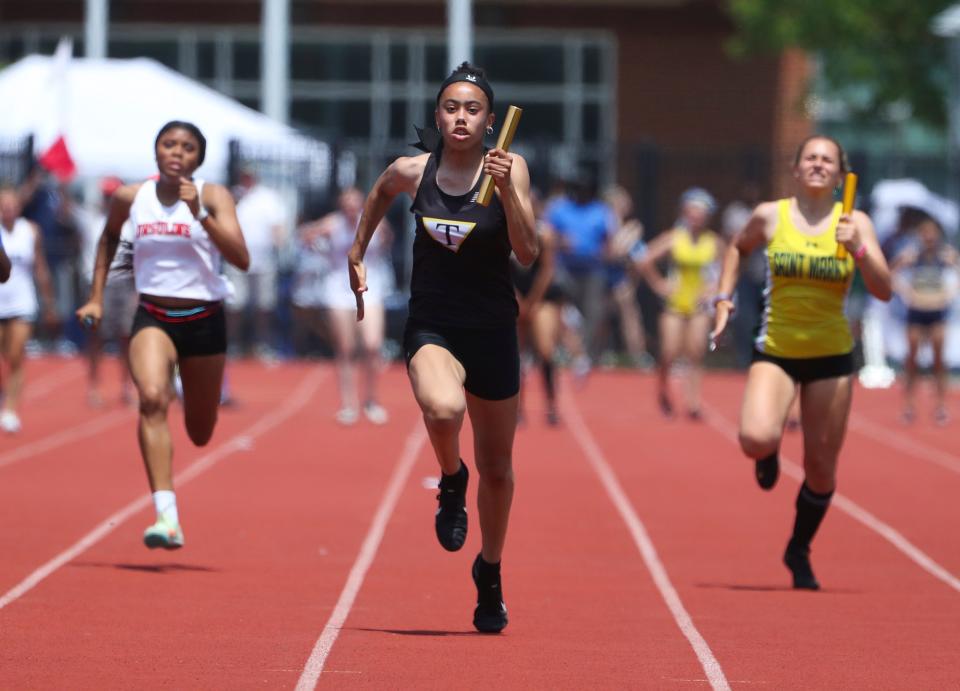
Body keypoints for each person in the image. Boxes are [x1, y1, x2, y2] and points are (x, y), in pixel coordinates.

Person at [348, 62, 537, 632]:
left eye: (472, 109)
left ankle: (491, 571)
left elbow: (527, 252)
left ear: (490, 120)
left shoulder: (510, 169)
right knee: (443, 407)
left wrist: (508, 192)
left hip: (493, 330)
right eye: (451, 107)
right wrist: (356, 252)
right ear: (438, 115)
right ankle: (450, 479)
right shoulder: (414, 170)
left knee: (500, 471)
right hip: (432, 323)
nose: (461, 117)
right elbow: (380, 191)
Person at [711, 135, 892, 590]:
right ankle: (768, 452)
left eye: (826, 159)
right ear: (796, 169)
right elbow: (737, 247)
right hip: (776, 348)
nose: (817, 164)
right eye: (810, 157)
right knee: (754, 438)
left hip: (831, 357)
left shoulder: (854, 222)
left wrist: (860, 250)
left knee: (821, 468)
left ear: (839, 173)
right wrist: (723, 299)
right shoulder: (771, 216)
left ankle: (798, 547)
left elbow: (885, 289)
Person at [77, 121, 249, 550]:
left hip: (205, 319)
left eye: (187, 147)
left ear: (198, 158)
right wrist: (95, 297)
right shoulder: (130, 198)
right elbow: (108, 239)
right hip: (152, 315)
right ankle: (166, 517)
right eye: (168, 144)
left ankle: (190, 393)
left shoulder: (213, 196)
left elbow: (241, 259)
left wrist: (201, 216)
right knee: (152, 398)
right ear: (156, 152)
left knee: (200, 430)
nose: (177, 152)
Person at [301, 186, 393, 425]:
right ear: (341, 204)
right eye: (347, 202)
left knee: (372, 345)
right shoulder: (333, 223)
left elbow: (387, 240)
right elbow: (305, 235)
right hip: (338, 289)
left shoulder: (374, 220)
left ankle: (371, 399)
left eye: (355, 202)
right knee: (346, 348)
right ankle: (348, 403)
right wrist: (316, 241)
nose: (351, 207)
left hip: (370, 288)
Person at [638, 187, 722, 420]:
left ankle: (693, 401)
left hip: (699, 304)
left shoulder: (713, 242)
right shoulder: (674, 237)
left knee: (696, 350)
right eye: (692, 211)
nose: (696, 216)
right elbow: (644, 258)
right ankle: (663, 388)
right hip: (675, 302)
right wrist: (659, 284)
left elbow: (725, 271)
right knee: (669, 350)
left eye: (701, 212)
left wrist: (712, 290)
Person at [76, 177, 138, 407]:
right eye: (105, 195)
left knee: (126, 338)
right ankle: (94, 386)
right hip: (97, 287)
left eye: (112, 196)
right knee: (96, 338)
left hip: (124, 285)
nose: (108, 200)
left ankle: (126, 386)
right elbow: (64, 209)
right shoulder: (90, 219)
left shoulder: (132, 224)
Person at [0, 184, 57, 432]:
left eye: (11, 205)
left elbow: (40, 266)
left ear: (19, 206)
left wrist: (48, 303)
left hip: (22, 303)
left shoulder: (30, 231)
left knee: (14, 355)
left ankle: (11, 409)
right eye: (3, 206)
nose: (7, 210)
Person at [891, 216, 958, 425]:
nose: (929, 237)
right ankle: (909, 406)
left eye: (932, 232)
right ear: (920, 235)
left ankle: (940, 406)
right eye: (925, 232)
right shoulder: (913, 255)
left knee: (939, 361)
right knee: (911, 360)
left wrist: (949, 293)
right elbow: (890, 273)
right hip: (916, 313)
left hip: (937, 313)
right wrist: (906, 292)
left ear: (937, 234)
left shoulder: (945, 255)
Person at [224, 166, 287, 360]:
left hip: (264, 260)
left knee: (264, 305)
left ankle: (262, 344)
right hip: (236, 259)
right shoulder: (231, 197)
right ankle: (232, 344)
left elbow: (278, 227)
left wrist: (281, 248)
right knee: (235, 304)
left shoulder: (269, 198)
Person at [512, 190, 562, 426]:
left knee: (545, 349)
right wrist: (516, 298)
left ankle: (551, 404)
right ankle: (517, 407)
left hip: (541, 298)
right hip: (512, 295)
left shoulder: (545, 234)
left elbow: (546, 270)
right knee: (514, 354)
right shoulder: (504, 228)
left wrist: (531, 302)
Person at [603, 184, 653, 369]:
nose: (625, 205)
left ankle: (638, 354)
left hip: (622, 276)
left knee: (629, 314)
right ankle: (599, 353)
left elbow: (618, 250)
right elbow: (612, 250)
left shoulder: (633, 226)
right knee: (602, 316)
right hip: (602, 275)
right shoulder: (603, 221)